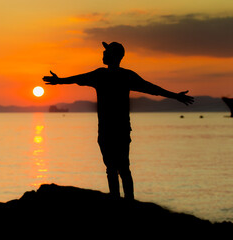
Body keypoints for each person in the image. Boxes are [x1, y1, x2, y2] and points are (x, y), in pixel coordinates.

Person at [43, 42, 194, 200]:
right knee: (120, 168)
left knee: (115, 168)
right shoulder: (122, 75)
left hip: (111, 130)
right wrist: (175, 96)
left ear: (113, 55)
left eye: (106, 52)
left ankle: (121, 201)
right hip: (117, 129)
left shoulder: (104, 75)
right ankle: (125, 201)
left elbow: (152, 88)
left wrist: (59, 81)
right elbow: (153, 89)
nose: (103, 54)